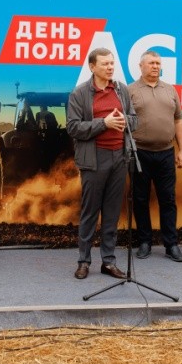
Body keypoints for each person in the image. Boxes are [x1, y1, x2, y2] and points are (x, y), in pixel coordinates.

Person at [67, 47, 137, 280]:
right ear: (92, 66)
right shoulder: (80, 94)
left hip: (120, 156)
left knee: (112, 213)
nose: (110, 67)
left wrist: (123, 121)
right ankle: (83, 261)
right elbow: (74, 128)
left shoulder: (121, 90)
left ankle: (108, 261)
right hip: (94, 158)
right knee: (90, 212)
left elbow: (134, 119)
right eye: (105, 64)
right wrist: (103, 123)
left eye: (112, 63)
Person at [128, 50, 182, 262]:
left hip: (165, 154)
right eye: (151, 63)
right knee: (141, 199)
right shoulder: (130, 91)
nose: (156, 66)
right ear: (141, 66)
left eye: (158, 63)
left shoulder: (170, 90)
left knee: (168, 200)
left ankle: (171, 244)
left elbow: (178, 120)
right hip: (139, 153)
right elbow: (123, 124)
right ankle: (145, 242)